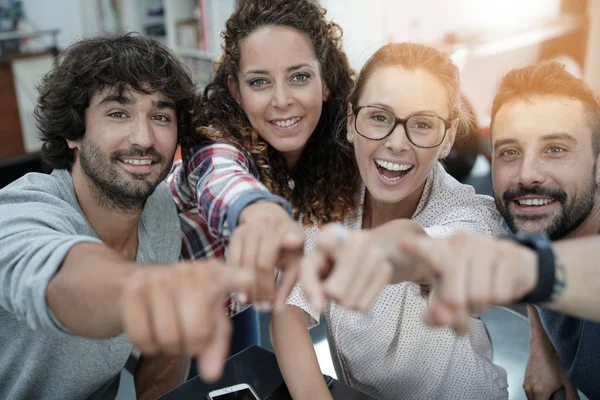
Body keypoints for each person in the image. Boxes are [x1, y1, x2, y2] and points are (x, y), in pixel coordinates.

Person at [0, 34, 254, 400]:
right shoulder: (21, 210)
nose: (144, 138)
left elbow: (164, 358)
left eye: (160, 116)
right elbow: (65, 280)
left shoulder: (161, 211)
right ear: (74, 130)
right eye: (118, 113)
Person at [273, 42, 510, 400]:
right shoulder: (331, 200)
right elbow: (287, 312)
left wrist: (376, 252)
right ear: (352, 121)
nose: (397, 142)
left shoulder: (472, 216)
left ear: (447, 138)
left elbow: (422, 249)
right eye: (379, 117)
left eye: (423, 124)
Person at [395, 61, 600, 400]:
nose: (526, 174)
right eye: (510, 152)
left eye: (555, 149)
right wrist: (542, 347)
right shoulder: (532, 212)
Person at [168, 0, 357, 313]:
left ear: (325, 82)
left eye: (299, 77)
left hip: (231, 308)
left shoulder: (327, 149)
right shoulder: (216, 144)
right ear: (236, 91)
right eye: (259, 82)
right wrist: (256, 211)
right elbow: (223, 177)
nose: (281, 100)